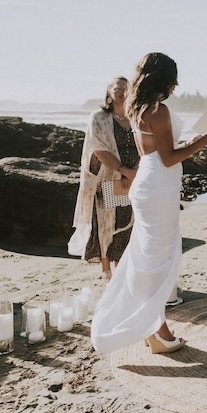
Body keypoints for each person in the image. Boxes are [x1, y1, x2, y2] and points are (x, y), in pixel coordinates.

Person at [90, 53, 207, 354]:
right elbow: (169, 157)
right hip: (158, 187)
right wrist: (204, 141)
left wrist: (192, 142)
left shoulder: (138, 107)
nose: (177, 82)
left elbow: (155, 152)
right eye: (173, 76)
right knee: (156, 262)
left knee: (149, 259)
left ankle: (155, 329)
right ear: (164, 79)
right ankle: (158, 332)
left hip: (151, 183)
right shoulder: (158, 110)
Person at [68, 77, 138, 282]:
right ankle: (106, 271)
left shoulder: (136, 118)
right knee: (106, 221)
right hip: (106, 177)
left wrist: (133, 173)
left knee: (125, 221)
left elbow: (145, 147)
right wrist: (123, 170)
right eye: (117, 88)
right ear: (109, 91)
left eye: (126, 88)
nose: (122, 91)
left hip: (131, 176)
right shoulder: (98, 117)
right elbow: (98, 149)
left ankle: (121, 269)